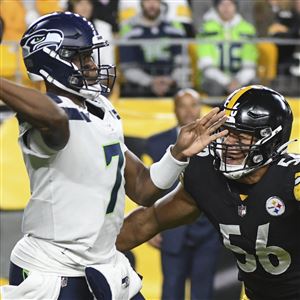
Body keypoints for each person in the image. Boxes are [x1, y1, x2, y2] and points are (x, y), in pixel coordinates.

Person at [0, 12, 228, 299]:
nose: (93, 65)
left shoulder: (101, 109)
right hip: (52, 269)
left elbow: (144, 189)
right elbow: (56, 117)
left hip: (105, 262)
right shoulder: (45, 118)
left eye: (91, 56)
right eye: (82, 57)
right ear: (52, 60)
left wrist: (177, 154)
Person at [117, 85, 300, 300]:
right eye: (226, 133)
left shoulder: (292, 180)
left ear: (271, 140)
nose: (229, 143)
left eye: (241, 136)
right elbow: (148, 221)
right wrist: (90, 251)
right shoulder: (206, 175)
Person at [145, 88, 220, 300]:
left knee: (203, 292)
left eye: (193, 104)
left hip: (208, 230)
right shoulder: (155, 143)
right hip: (171, 229)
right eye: (183, 105)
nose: (189, 111)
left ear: (200, 107)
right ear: (174, 109)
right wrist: (151, 224)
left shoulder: (219, 142)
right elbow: (149, 187)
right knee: (171, 290)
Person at [119, 0, 189, 97]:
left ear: (161, 3)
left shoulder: (175, 28)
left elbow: (183, 62)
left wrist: (171, 80)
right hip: (139, 88)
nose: (152, 5)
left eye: (155, 1)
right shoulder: (129, 29)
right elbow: (127, 67)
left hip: (172, 84)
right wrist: (150, 82)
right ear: (141, 3)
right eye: (148, 1)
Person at [197, 0, 258, 96]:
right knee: (214, 88)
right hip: (215, 79)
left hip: (240, 77)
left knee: (254, 88)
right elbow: (206, 63)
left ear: (236, 6)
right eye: (222, 4)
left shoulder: (247, 29)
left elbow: (249, 62)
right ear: (216, 6)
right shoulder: (206, 28)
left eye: (230, 4)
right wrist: (227, 82)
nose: (226, 8)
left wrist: (239, 81)